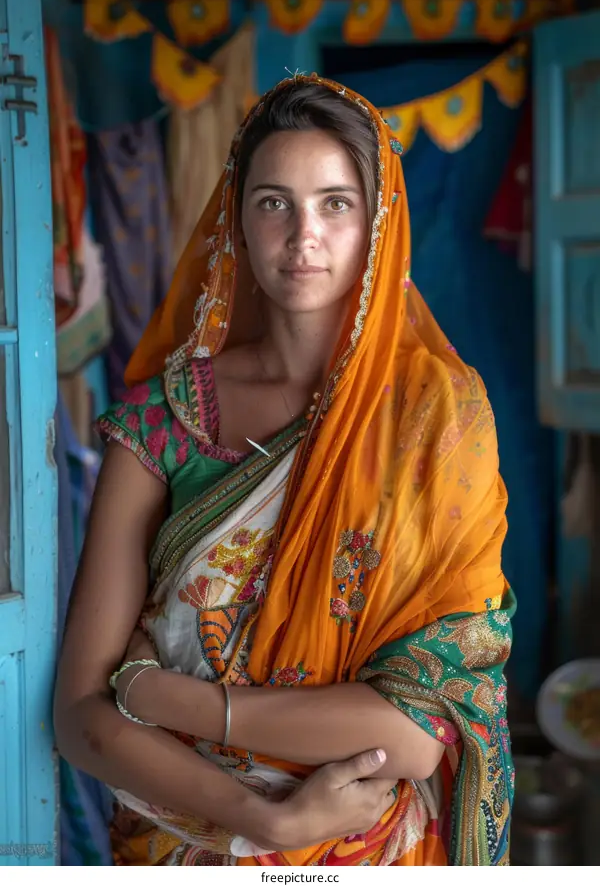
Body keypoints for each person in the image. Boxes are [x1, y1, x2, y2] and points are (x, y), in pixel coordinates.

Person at [54, 75, 515, 867]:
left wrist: (169, 697)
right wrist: (261, 821)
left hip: (376, 849)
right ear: (235, 220)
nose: (304, 234)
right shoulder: (165, 420)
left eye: (336, 203)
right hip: (187, 845)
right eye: (274, 202)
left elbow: (413, 731)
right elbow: (79, 716)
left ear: (380, 222)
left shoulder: (436, 421)